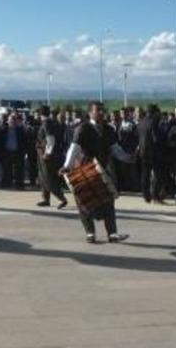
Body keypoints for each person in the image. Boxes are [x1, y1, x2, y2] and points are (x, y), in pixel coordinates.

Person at [60, 101, 133, 244]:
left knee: (108, 201)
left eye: (102, 110)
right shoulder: (82, 129)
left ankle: (112, 234)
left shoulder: (108, 129)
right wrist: (67, 166)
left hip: (102, 171)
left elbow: (115, 149)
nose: (101, 113)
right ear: (90, 113)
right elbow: (74, 149)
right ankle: (90, 233)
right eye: (97, 110)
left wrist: (128, 158)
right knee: (84, 201)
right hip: (84, 170)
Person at [35, 106, 68, 209]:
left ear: (40, 114)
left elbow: (51, 139)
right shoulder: (51, 122)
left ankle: (62, 199)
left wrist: (48, 153)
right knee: (42, 177)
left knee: (48, 178)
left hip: (47, 155)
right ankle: (46, 199)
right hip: (44, 154)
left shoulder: (46, 124)